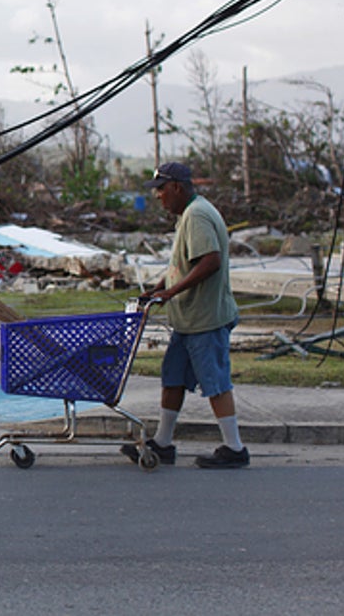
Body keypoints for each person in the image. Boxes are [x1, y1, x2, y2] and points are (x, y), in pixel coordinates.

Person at [122, 162, 249, 469]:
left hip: (206, 318)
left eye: (161, 190)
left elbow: (210, 261)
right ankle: (163, 442)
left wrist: (172, 292)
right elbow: (184, 263)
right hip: (188, 319)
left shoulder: (197, 216)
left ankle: (234, 448)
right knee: (173, 378)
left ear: (177, 187)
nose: (158, 197)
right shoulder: (187, 216)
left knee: (215, 382)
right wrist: (159, 288)